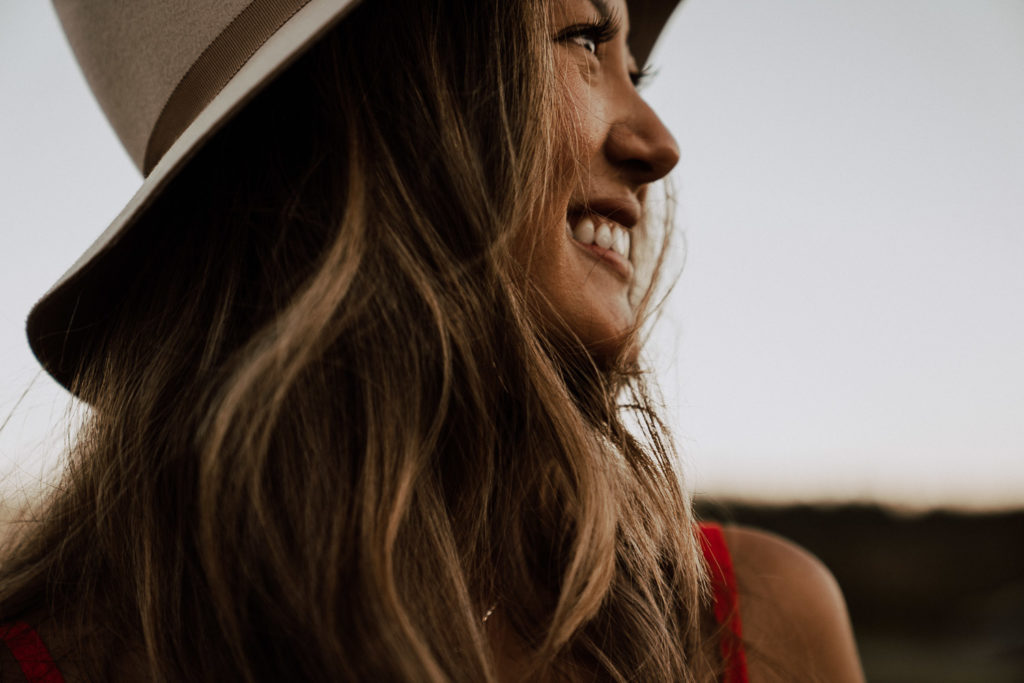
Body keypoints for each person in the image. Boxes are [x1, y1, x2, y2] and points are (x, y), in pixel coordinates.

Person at [0, 0, 864, 680]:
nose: (657, 144)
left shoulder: (754, 627)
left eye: (635, 69)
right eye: (583, 41)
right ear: (376, 107)